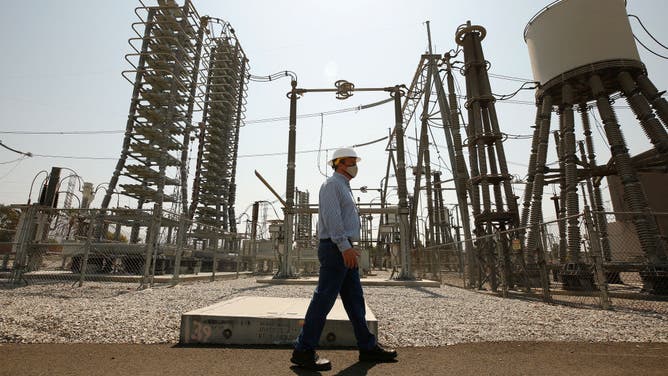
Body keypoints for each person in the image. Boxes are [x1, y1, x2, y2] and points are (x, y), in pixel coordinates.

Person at [291, 148, 397, 371]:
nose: (354, 166)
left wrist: (350, 246)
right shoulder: (332, 185)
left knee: (355, 300)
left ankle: (367, 347)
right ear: (340, 164)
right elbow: (332, 218)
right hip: (336, 249)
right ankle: (303, 351)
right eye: (351, 162)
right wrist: (343, 245)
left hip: (344, 248)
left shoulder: (344, 187)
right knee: (324, 300)